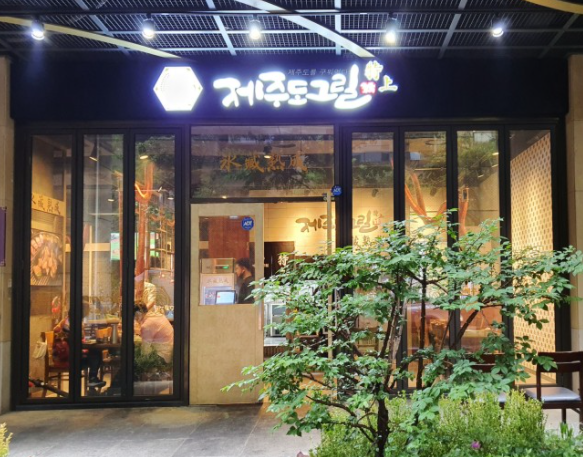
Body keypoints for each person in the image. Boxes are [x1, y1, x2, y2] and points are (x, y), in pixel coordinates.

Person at [53, 314, 104, 389]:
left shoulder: (70, 324)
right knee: (95, 354)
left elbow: (81, 338)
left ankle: (92, 379)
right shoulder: (67, 325)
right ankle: (92, 378)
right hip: (69, 358)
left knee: (95, 352)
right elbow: (57, 330)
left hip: (72, 355)